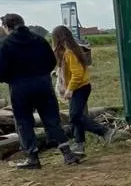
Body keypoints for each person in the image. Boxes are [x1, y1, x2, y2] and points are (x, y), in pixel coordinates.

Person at [0, 14, 81, 169]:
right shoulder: (39, 39)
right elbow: (51, 61)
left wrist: (10, 79)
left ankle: (32, 158)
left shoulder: (5, 44)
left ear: (7, 26)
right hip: (43, 84)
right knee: (52, 119)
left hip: (19, 87)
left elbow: (1, 69)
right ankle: (67, 154)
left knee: (24, 122)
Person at [51, 25, 114, 156]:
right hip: (80, 87)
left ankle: (104, 131)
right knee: (76, 117)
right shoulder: (72, 50)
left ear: (57, 38)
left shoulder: (69, 52)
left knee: (75, 116)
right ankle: (79, 145)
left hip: (79, 88)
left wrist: (69, 89)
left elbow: (78, 74)